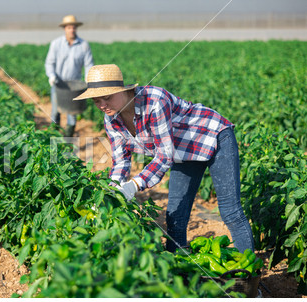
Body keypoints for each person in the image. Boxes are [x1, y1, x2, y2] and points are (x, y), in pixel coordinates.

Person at [73, 64, 254, 253]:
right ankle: (179, 270)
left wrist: (134, 184)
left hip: (213, 136)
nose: (102, 105)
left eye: (107, 97)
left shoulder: (154, 101)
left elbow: (164, 155)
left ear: (122, 90)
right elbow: (121, 161)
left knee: (230, 211)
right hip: (183, 151)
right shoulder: (111, 120)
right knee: (175, 216)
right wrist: (109, 193)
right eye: (96, 100)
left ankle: (249, 271)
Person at [45, 14, 94, 137]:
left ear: (76, 28)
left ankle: (67, 141)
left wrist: (89, 80)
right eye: (69, 28)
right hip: (58, 84)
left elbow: (89, 65)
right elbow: (49, 63)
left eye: (73, 27)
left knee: (72, 114)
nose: (71, 30)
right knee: (55, 111)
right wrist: (51, 75)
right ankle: (54, 138)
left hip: (75, 86)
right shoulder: (56, 44)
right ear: (64, 29)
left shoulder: (83, 45)